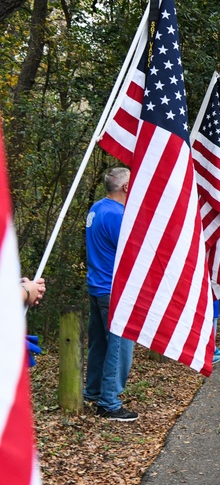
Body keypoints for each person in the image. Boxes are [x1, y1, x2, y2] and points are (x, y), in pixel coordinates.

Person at [84, 168, 138, 421]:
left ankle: (93, 391)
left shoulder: (96, 208)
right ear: (126, 187)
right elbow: (132, 253)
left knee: (99, 344)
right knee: (119, 347)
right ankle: (108, 402)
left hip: (97, 287)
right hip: (113, 291)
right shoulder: (118, 215)